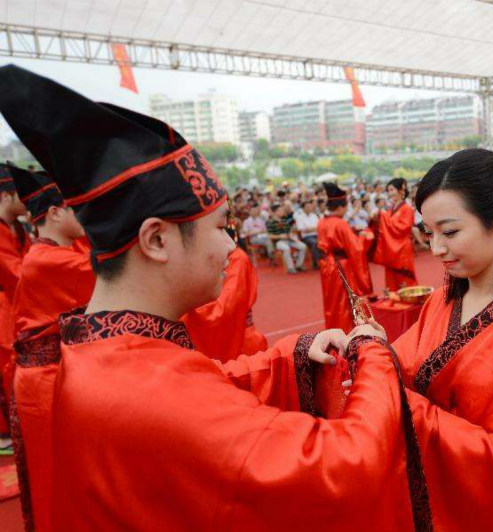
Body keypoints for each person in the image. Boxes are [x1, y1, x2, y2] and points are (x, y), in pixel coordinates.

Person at [0, 65, 429, 532]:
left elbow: (209, 388)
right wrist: (375, 355)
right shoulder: (148, 390)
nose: (231, 246)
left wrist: (296, 356)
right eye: (221, 227)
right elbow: (342, 465)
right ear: (157, 240)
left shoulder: (102, 349)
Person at [386, 148, 493, 532]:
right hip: (422, 499)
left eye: (449, 232)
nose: (436, 249)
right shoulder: (443, 298)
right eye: (429, 233)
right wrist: (365, 347)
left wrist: (407, 412)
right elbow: (395, 362)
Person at [5, 165, 93, 532]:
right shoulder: (49, 259)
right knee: (51, 474)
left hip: (51, 375)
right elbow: (110, 271)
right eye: (76, 206)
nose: (83, 213)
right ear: (55, 213)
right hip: (44, 382)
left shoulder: (53, 251)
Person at [0, 162, 29, 455]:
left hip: (14, 304)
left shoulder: (15, 228)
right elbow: (17, 274)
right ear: (6, 196)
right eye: (21, 194)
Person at [316, 182, 373, 332]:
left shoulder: (322, 222)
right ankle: (347, 332)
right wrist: (366, 236)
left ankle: (334, 330)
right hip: (341, 266)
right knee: (345, 303)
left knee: (332, 303)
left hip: (327, 266)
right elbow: (355, 248)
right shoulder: (341, 224)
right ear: (341, 206)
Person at [371, 177, 418, 291]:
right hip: (391, 248)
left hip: (402, 249)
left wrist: (383, 216)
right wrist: (377, 218)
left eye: (392, 190)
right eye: (388, 190)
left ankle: (409, 301)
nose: (390, 193)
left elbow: (404, 228)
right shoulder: (390, 209)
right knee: (392, 279)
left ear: (401, 191)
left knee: (404, 279)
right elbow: (385, 226)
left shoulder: (407, 209)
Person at [266, 203, 307, 274]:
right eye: (280, 211)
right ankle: (290, 268)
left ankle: (299, 265)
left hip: (289, 239)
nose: (282, 212)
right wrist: (280, 236)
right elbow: (270, 236)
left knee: (303, 246)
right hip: (278, 241)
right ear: (275, 212)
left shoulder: (284, 221)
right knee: (286, 248)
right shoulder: (270, 222)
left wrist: (291, 235)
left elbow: (288, 231)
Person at [294, 199, 321, 269]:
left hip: (317, 234)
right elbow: (302, 230)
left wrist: (311, 229)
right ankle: (317, 262)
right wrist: (314, 229)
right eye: (308, 207)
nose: (310, 208)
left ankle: (326, 261)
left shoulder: (314, 215)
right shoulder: (300, 217)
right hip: (307, 237)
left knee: (325, 241)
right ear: (303, 208)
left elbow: (319, 226)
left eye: (310, 207)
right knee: (315, 243)